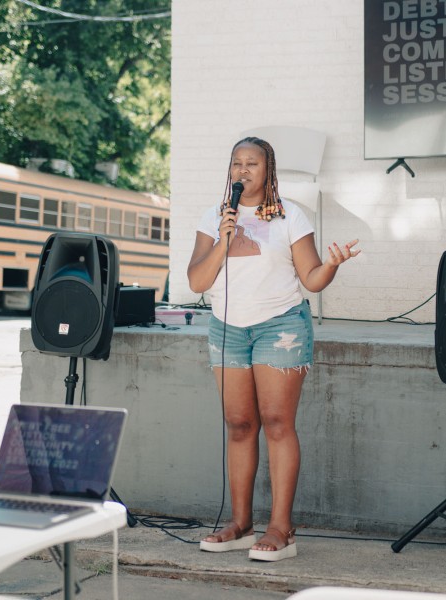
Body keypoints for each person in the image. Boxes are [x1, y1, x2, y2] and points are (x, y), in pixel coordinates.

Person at [187, 136, 360, 561]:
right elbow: (196, 282)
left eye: (252, 164)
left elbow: (312, 279)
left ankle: (281, 528)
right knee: (239, 425)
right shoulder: (214, 218)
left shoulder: (290, 217)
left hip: (280, 327)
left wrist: (332, 265)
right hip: (228, 329)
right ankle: (241, 523)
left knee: (278, 422)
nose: (242, 171)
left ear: (269, 172)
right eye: (236, 164)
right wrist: (224, 241)